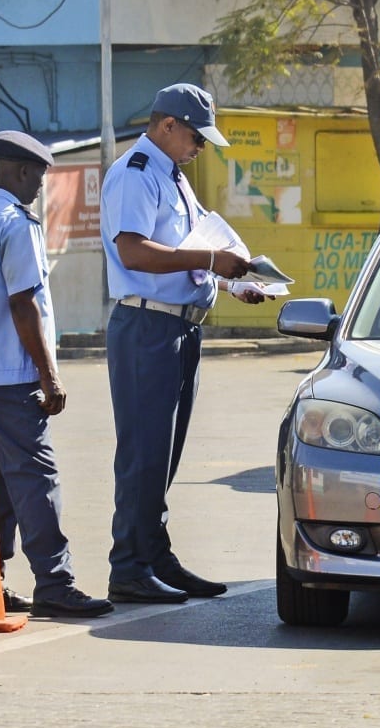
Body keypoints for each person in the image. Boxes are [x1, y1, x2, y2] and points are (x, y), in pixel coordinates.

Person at [100, 83, 263, 604]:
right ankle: (129, 566)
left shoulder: (173, 177)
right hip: (146, 326)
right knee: (143, 453)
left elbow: (188, 250)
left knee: (163, 456)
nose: (200, 148)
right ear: (167, 125)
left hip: (178, 326)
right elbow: (134, 252)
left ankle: (154, 556)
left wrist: (231, 281)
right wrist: (212, 261)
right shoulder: (136, 173)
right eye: (196, 137)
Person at [0, 130, 113, 618]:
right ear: (19, 171)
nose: (39, 188)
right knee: (36, 479)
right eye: (38, 178)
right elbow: (23, 303)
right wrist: (49, 376)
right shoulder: (17, 225)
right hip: (7, 373)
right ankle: (55, 583)